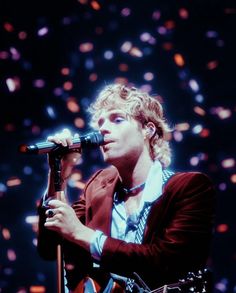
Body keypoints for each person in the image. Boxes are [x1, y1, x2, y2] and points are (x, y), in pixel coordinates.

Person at [37, 83, 216, 293]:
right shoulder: (97, 186)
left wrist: (81, 233)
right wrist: (59, 173)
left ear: (148, 130)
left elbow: (167, 259)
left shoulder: (190, 187)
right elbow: (51, 248)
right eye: (101, 122)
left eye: (117, 119)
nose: (103, 129)